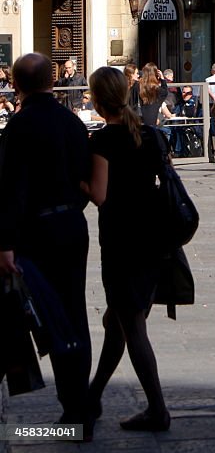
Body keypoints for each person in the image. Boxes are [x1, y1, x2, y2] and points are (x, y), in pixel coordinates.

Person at [0, 53, 92, 433]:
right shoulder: (71, 123)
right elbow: (85, 178)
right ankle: (78, 405)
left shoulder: (17, 128)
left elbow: (9, 191)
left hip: (34, 233)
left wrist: (5, 242)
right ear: (52, 83)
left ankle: (70, 405)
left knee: (45, 316)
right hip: (71, 224)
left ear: (17, 86)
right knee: (74, 312)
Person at [85, 66, 170, 433]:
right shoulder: (149, 135)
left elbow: (100, 196)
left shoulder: (104, 140)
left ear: (99, 100)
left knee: (130, 325)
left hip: (121, 242)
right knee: (116, 321)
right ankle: (93, 396)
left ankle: (157, 409)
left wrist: (77, 180)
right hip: (153, 238)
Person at [137, 62, 169, 128]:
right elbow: (165, 92)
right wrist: (162, 79)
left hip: (140, 122)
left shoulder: (138, 87)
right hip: (152, 122)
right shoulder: (157, 89)